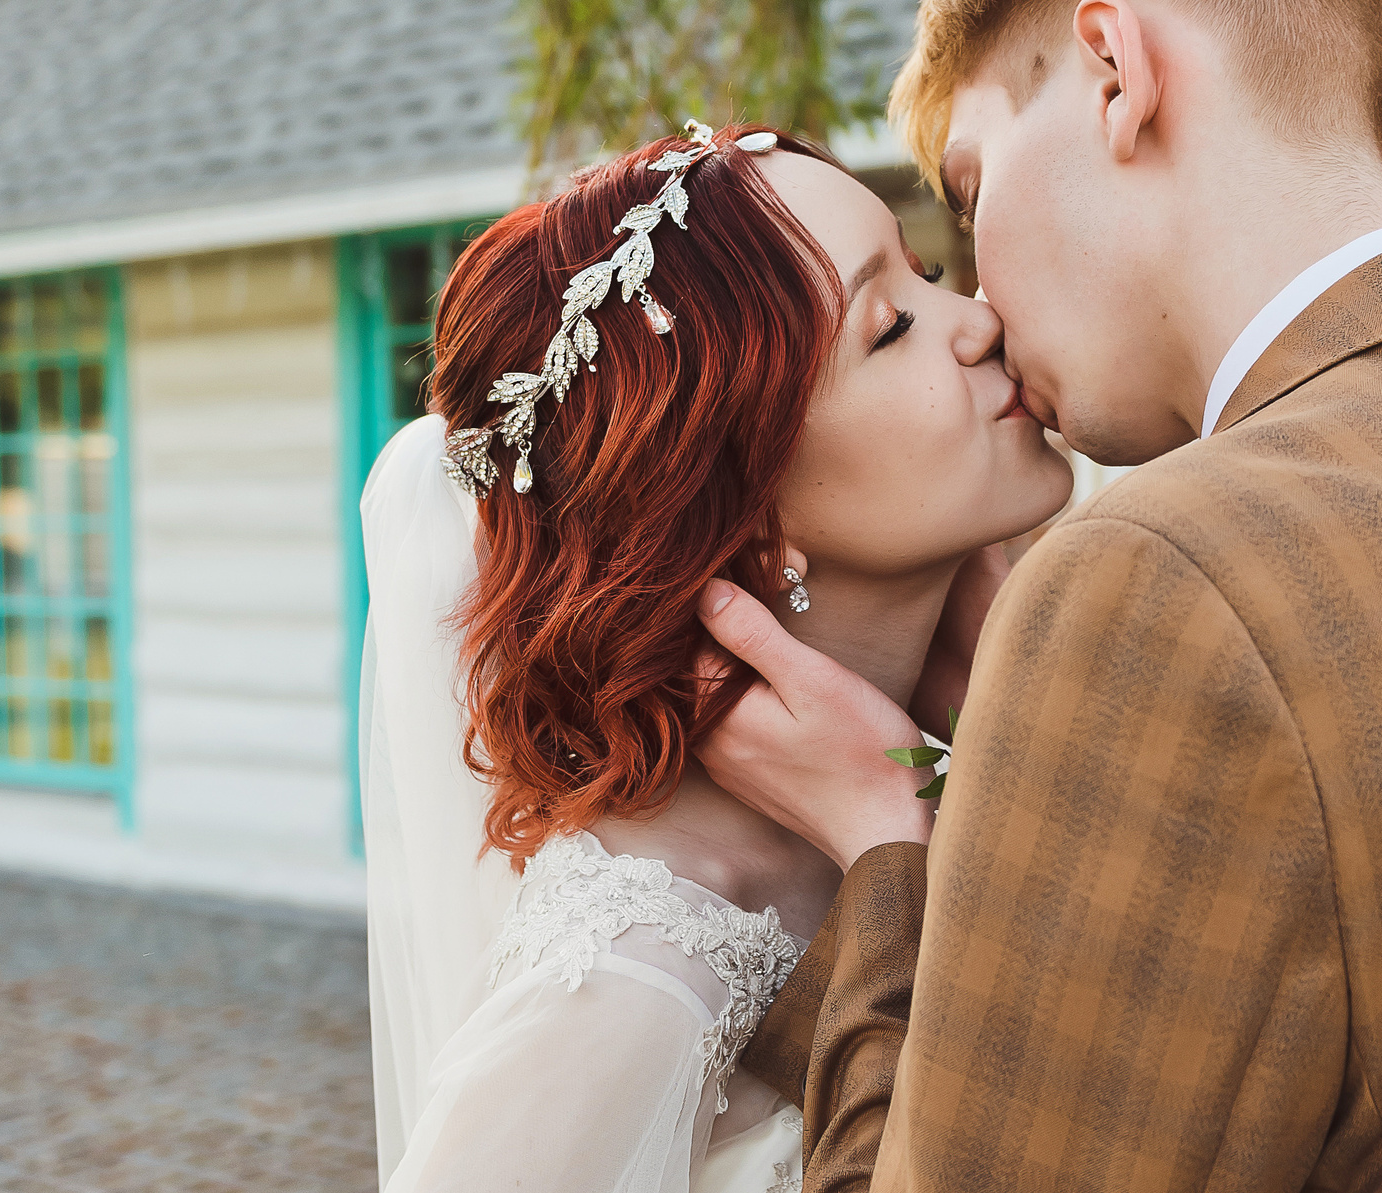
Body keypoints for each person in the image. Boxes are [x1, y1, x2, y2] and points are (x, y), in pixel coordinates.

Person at [694, 2, 1382, 1190]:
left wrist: (887, 846)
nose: (981, 305)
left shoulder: (1157, 585)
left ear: (1115, 70)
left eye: (971, 195)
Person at [357, 122, 1075, 1193]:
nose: (977, 320)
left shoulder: (988, 745)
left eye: (925, 276)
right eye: (888, 328)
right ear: (744, 510)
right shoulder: (639, 970)